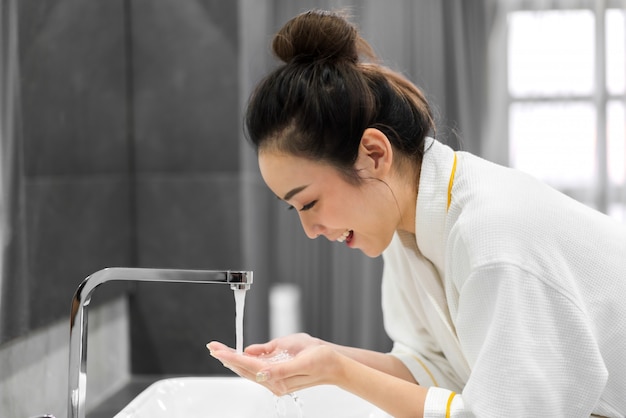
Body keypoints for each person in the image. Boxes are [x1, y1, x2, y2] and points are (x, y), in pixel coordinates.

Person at [207, 9, 626, 418]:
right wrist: (326, 357)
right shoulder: (407, 228)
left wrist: (339, 371)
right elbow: (438, 371)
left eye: (310, 202)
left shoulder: (492, 236)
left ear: (374, 154)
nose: (310, 230)